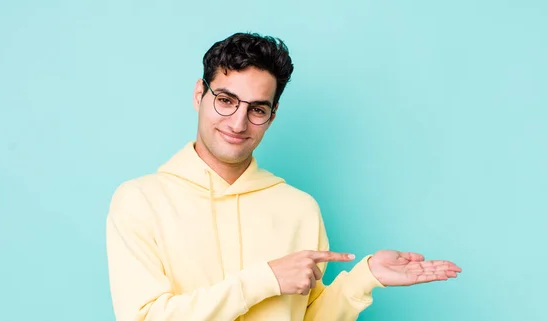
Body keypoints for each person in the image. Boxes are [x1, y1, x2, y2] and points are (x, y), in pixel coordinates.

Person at [105, 32, 461, 321]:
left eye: (256, 109)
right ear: (200, 94)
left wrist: (364, 280)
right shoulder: (140, 201)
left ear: (272, 115)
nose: (238, 123)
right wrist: (265, 280)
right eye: (226, 101)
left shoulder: (300, 209)